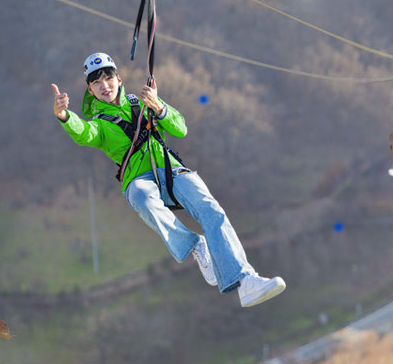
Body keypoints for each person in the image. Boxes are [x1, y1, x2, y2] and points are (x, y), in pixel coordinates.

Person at [51, 53, 286, 307]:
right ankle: (194, 245)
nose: (104, 86)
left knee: (211, 209)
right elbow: (85, 133)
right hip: (138, 179)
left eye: (108, 79)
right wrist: (65, 117)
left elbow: (180, 129)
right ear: (90, 90)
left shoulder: (144, 102)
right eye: (97, 83)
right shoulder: (100, 123)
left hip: (170, 169)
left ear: (119, 79)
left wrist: (159, 108)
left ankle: (245, 280)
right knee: (141, 196)